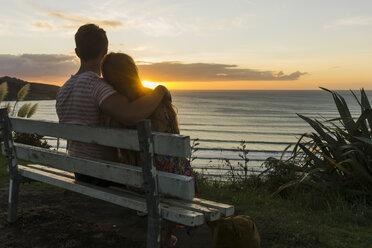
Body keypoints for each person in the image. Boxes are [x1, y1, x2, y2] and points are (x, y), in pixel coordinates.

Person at [56, 24, 169, 185]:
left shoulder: (63, 90)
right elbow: (131, 115)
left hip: (79, 169)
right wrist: (160, 91)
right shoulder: (96, 86)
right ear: (105, 52)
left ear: (77, 53)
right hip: (103, 174)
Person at [101, 52, 194, 179]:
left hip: (134, 181)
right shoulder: (157, 101)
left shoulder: (113, 111)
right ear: (133, 71)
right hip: (171, 179)